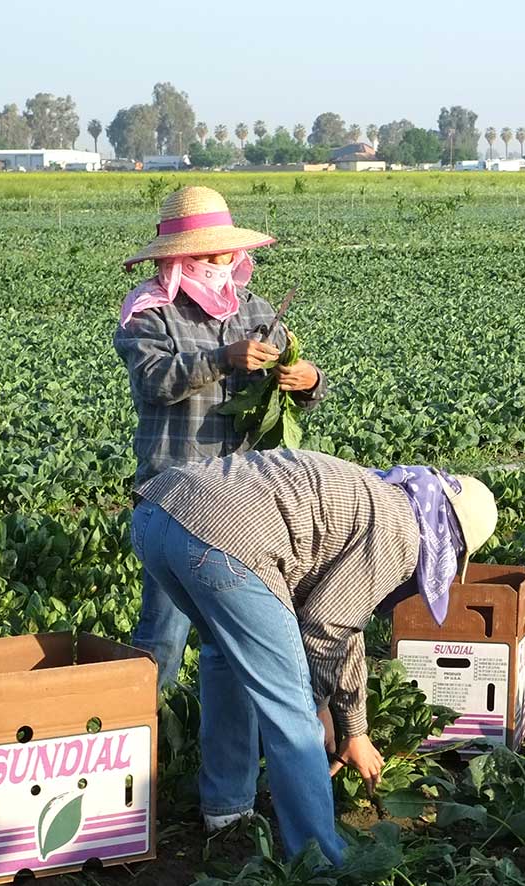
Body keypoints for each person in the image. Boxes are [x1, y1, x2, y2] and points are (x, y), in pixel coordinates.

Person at [132, 450, 498, 857]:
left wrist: (354, 730)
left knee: (225, 655)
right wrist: (319, 707)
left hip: (157, 513)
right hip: (225, 540)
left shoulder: (383, 495)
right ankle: (318, 863)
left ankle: (227, 812)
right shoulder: (403, 534)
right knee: (292, 713)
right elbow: (325, 628)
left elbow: (346, 621)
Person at [115, 185, 329, 693]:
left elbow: (289, 375)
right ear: (178, 258)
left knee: (234, 636)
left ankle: (219, 746)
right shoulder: (151, 311)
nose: (219, 261)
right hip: (174, 494)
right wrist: (221, 359)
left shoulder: (253, 309)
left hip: (242, 498)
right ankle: (146, 745)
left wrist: (307, 381)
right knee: (164, 636)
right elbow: (153, 380)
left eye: (225, 251)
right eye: (207, 253)